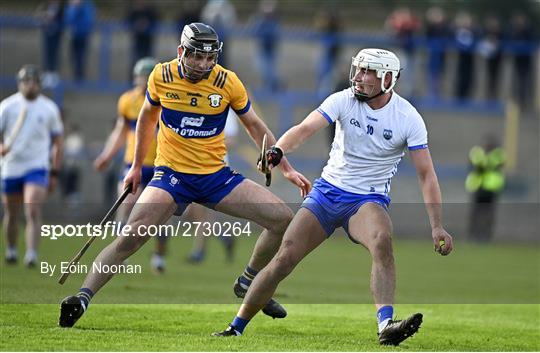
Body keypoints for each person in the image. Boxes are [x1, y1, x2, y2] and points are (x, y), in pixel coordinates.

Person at [59, 22, 311, 328]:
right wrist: (137, 167)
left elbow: (256, 126)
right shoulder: (162, 76)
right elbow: (146, 120)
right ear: (181, 51)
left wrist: (285, 167)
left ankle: (248, 280)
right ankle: (82, 298)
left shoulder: (227, 82)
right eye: (196, 57)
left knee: (282, 219)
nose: (203, 65)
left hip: (216, 177)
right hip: (170, 177)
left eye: (210, 58)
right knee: (131, 237)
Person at [213, 48, 454, 346]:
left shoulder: (408, 118)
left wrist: (437, 225)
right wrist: (278, 151)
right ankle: (235, 327)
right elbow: (304, 129)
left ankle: (386, 325)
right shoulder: (343, 99)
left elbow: (427, 175)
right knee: (284, 257)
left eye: (368, 72)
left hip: (367, 201)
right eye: (358, 69)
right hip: (327, 193)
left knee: (382, 241)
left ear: (389, 78)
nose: (359, 77)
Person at [93, 57, 168, 272]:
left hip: (160, 164)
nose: (143, 80)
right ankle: (119, 254)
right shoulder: (127, 100)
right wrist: (107, 155)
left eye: (147, 76)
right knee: (125, 208)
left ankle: (159, 255)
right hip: (133, 164)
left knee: (161, 214)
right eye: (140, 76)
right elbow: (120, 130)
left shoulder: (165, 101)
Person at [0, 65, 64, 266]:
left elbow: (58, 143)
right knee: (12, 212)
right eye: (26, 81)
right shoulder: (7, 107)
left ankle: (31, 254)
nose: (30, 86)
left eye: (34, 82)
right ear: (19, 84)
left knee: (33, 208)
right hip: (12, 165)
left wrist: (54, 171)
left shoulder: (49, 108)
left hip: (37, 165)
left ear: (39, 85)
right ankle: (11, 250)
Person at [465, 136, 505, 242]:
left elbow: (494, 166)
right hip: (478, 187)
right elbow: (475, 166)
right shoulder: (478, 153)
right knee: (476, 212)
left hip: (491, 188)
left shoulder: (497, 155)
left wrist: (484, 165)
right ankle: (474, 234)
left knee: (488, 213)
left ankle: (486, 235)